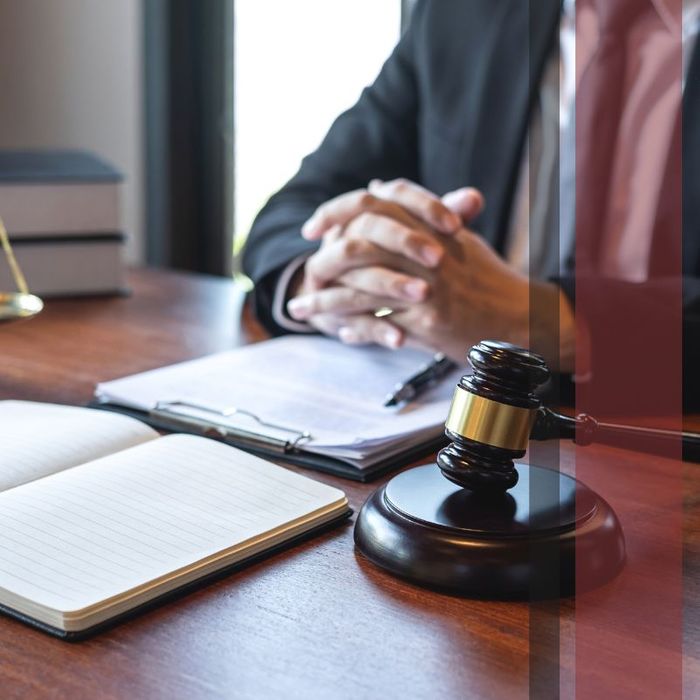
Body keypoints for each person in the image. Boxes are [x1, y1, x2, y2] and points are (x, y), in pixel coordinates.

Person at [242, 0, 700, 406]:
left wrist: (543, 321)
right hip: (445, 421)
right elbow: (296, 210)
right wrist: (338, 276)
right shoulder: (461, 11)